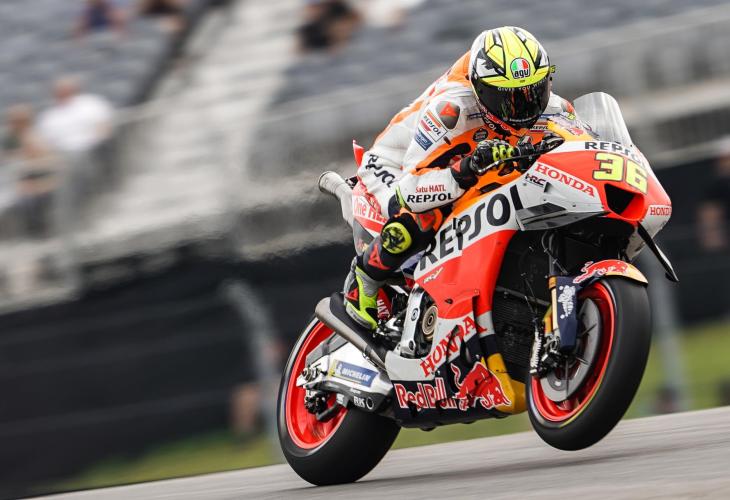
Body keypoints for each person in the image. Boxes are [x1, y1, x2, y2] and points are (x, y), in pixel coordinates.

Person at [344, 26, 575, 329]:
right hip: (396, 168)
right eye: (507, 99)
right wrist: (466, 169)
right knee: (424, 213)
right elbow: (410, 191)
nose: (523, 108)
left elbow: (586, 146)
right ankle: (365, 277)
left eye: (534, 92)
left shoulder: (557, 109)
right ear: (480, 89)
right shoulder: (452, 109)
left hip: (462, 168)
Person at [37, 76, 114, 154]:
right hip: (63, 154)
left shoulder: (92, 103)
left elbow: (105, 126)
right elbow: (43, 141)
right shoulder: (48, 116)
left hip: (95, 149)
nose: (63, 92)